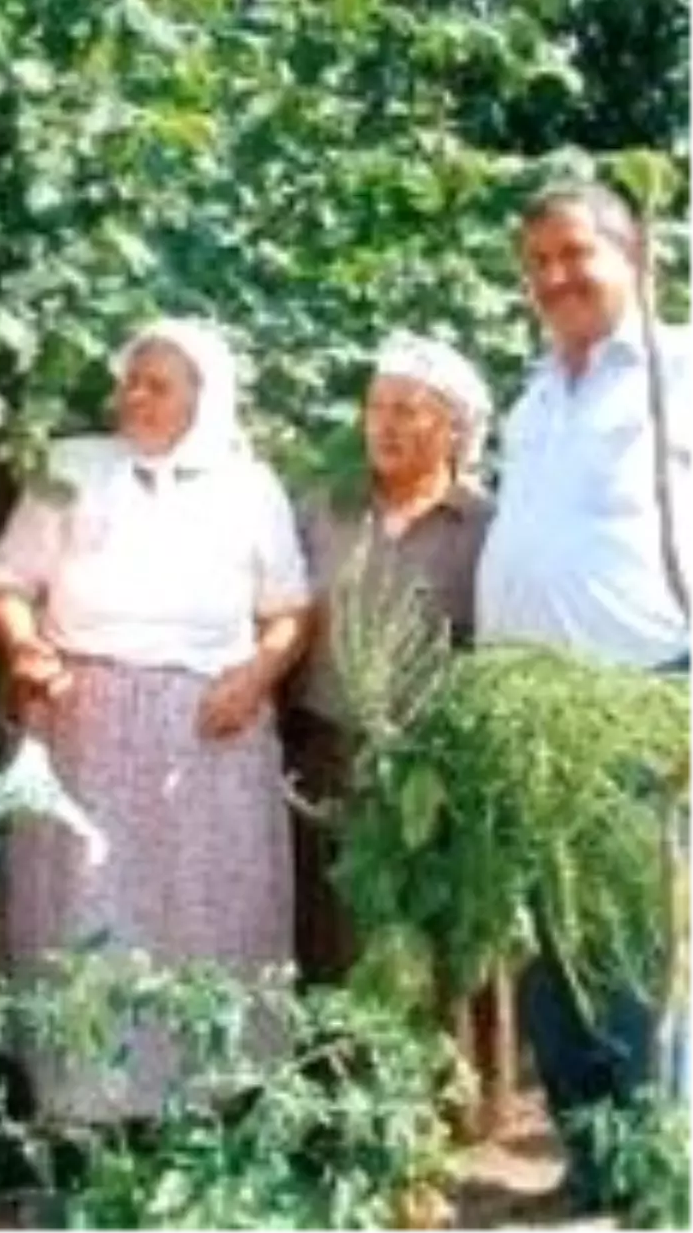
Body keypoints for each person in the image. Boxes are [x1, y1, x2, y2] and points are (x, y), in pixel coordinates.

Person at [0, 317, 311, 1122]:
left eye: (159, 385)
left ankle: (215, 1097)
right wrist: (27, 649)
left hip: (211, 731)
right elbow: (8, 579)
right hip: (85, 724)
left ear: (206, 397)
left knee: (207, 910)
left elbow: (290, 610)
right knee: (89, 906)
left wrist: (256, 675)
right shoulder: (72, 468)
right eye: (131, 379)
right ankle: (86, 1105)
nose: (136, 397)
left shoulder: (250, 487)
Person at [476, 180, 693, 1214]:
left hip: (642, 702)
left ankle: (659, 1177)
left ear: (635, 253)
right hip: (536, 721)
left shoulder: (678, 372)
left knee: (635, 948)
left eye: (575, 253)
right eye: (538, 263)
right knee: (550, 948)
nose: (555, 277)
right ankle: (590, 1161)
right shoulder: (534, 397)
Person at [283, 331, 507, 1129]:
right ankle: (342, 1101)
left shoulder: (485, 525)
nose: (386, 425)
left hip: (435, 763)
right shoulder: (322, 511)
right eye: (376, 407)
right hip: (329, 746)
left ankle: (443, 1105)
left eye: (410, 411)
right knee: (336, 924)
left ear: (455, 429)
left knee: (439, 925)